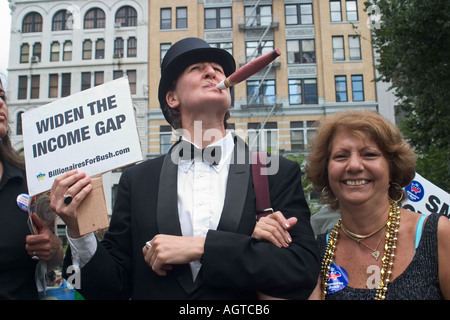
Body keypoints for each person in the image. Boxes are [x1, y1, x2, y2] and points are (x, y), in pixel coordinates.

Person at [50, 37, 319, 299]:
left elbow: (302, 272)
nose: (212, 72)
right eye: (196, 68)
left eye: (218, 69)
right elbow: (103, 290)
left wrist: (200, 247)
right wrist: (77, 230)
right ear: (172, 98)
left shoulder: (273, 171)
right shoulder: (137, 180)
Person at [255, 110, 450, 300]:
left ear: (392, 167)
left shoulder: (436, 233)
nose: (354, 166)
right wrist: (264, 246)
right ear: (326, 172)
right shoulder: (317, 250)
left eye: (369, 154)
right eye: (341, 156)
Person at [0, 78, 63, 299]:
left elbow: (55, 258)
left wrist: (52, 248)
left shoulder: (31, 183)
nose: (1, 103)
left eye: (1, 97)